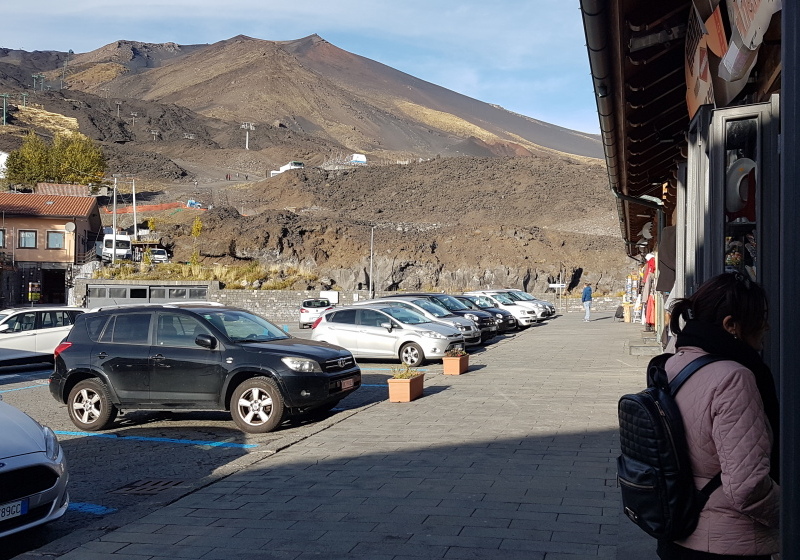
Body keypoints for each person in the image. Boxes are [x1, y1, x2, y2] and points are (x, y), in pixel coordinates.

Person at [658, 272, 779, 560]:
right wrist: (787, 511)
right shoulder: (735, 378)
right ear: (731, 326)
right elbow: (748, 486)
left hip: (677, 527)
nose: (767, 326)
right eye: (760, 317)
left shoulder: (675, 364)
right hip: (728, 542)